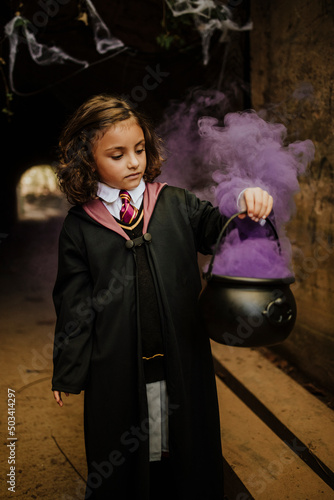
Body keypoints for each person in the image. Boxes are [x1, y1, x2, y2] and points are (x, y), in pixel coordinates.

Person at [52, 94, 273, 500]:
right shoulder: (80, 227)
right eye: (117, 155)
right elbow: (73, 302)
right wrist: (69, 368)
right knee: (126, 452)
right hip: (116, 362)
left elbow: (217, 229)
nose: (133, 162)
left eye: (139, 150)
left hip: (181, 352)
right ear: (88, 159)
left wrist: (243, 202)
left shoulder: (175, 204)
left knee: (183, 443)